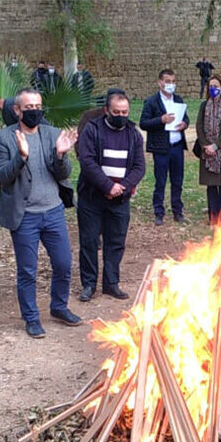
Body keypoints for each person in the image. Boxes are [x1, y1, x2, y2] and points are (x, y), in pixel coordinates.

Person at [0, 88, 81, 338]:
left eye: (38, 107)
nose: (34, 111)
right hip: (25, 215)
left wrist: (61, 154)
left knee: (63, 264)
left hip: (53, 211)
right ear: (17, 110)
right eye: (28, 107)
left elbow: (63, 174)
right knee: (27, 271)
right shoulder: (3, 137)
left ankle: (59, 307)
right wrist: (21, 157)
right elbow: (2, 176)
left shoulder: (52, 133)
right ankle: (31, 318)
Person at [76, 91, 145, 302]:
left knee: (115, 242)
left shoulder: (134, 134)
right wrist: (107, 185)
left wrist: (122, 186)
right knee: (89, 242)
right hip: (92, 197)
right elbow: (87, 162)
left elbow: (139, 166)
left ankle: (111, 283)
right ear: (107, 110)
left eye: (125, 112)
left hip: (120, 199)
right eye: (116, 112)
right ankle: (89, 284)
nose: (121, 115)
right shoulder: (92, 129)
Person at [140, 69, 189, 226]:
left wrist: (185, 124)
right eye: (167, 81)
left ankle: (177, 211)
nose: (170, 84)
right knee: (160, 181)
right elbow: (143, 123)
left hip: (177, 146)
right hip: (161, 148)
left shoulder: (179, 100)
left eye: (173, 81)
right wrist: (160, 120)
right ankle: (159, 212)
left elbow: (185, 117)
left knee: (177, 180)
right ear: (159, 82)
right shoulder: (151, 102)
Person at [194, 75, 221, 225]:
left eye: (216, 86)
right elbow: (199, 126)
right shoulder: (204, 106)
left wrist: (216, 145)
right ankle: (213, 218)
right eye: (211, 86)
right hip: (207, 152)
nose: (213, 89)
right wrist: (206, 145)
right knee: (211, 187)